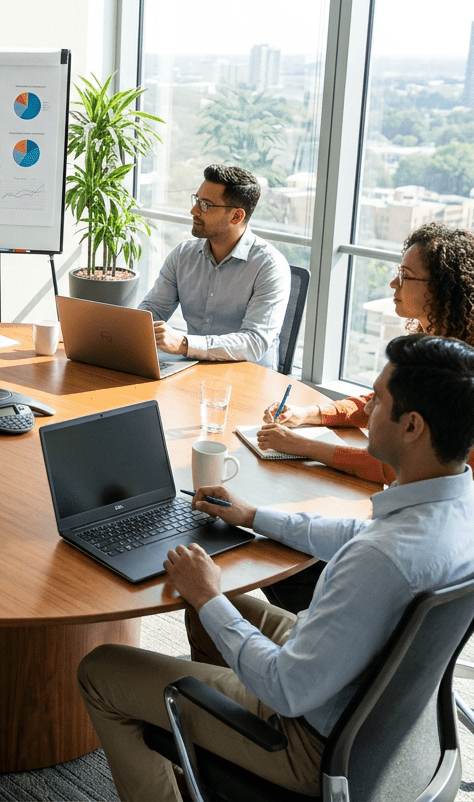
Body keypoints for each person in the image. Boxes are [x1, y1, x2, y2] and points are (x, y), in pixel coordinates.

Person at [78, 334, 474, 802]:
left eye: (378, 401)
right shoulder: (456, 505)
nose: (366, 412)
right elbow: (358, 534)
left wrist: (208, 597)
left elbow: (287, 689)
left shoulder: (381, 561)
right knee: (215, 613)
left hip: (307, 739)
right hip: (371, 695)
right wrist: (254, 517)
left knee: (102, 670)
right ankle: (201, 764)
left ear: (412, 426)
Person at [256, 223, 474, 480]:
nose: (394, 283)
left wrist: (300, 445)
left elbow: (393, 469)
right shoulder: (429, 342)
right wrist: (307, 414)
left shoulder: (462, 373)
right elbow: (383, 399)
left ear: (440, 287)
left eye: (405, 275)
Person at [137, 164, 291, 368]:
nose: (194, 211)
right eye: (197, 200)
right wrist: (132, 331)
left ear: (236, 216)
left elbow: (253, 343)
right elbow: (153, 310)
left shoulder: (270, 266)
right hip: (191, 368)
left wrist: (184, 344)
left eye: (205, 205)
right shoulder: (183, 254)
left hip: (249, 378)